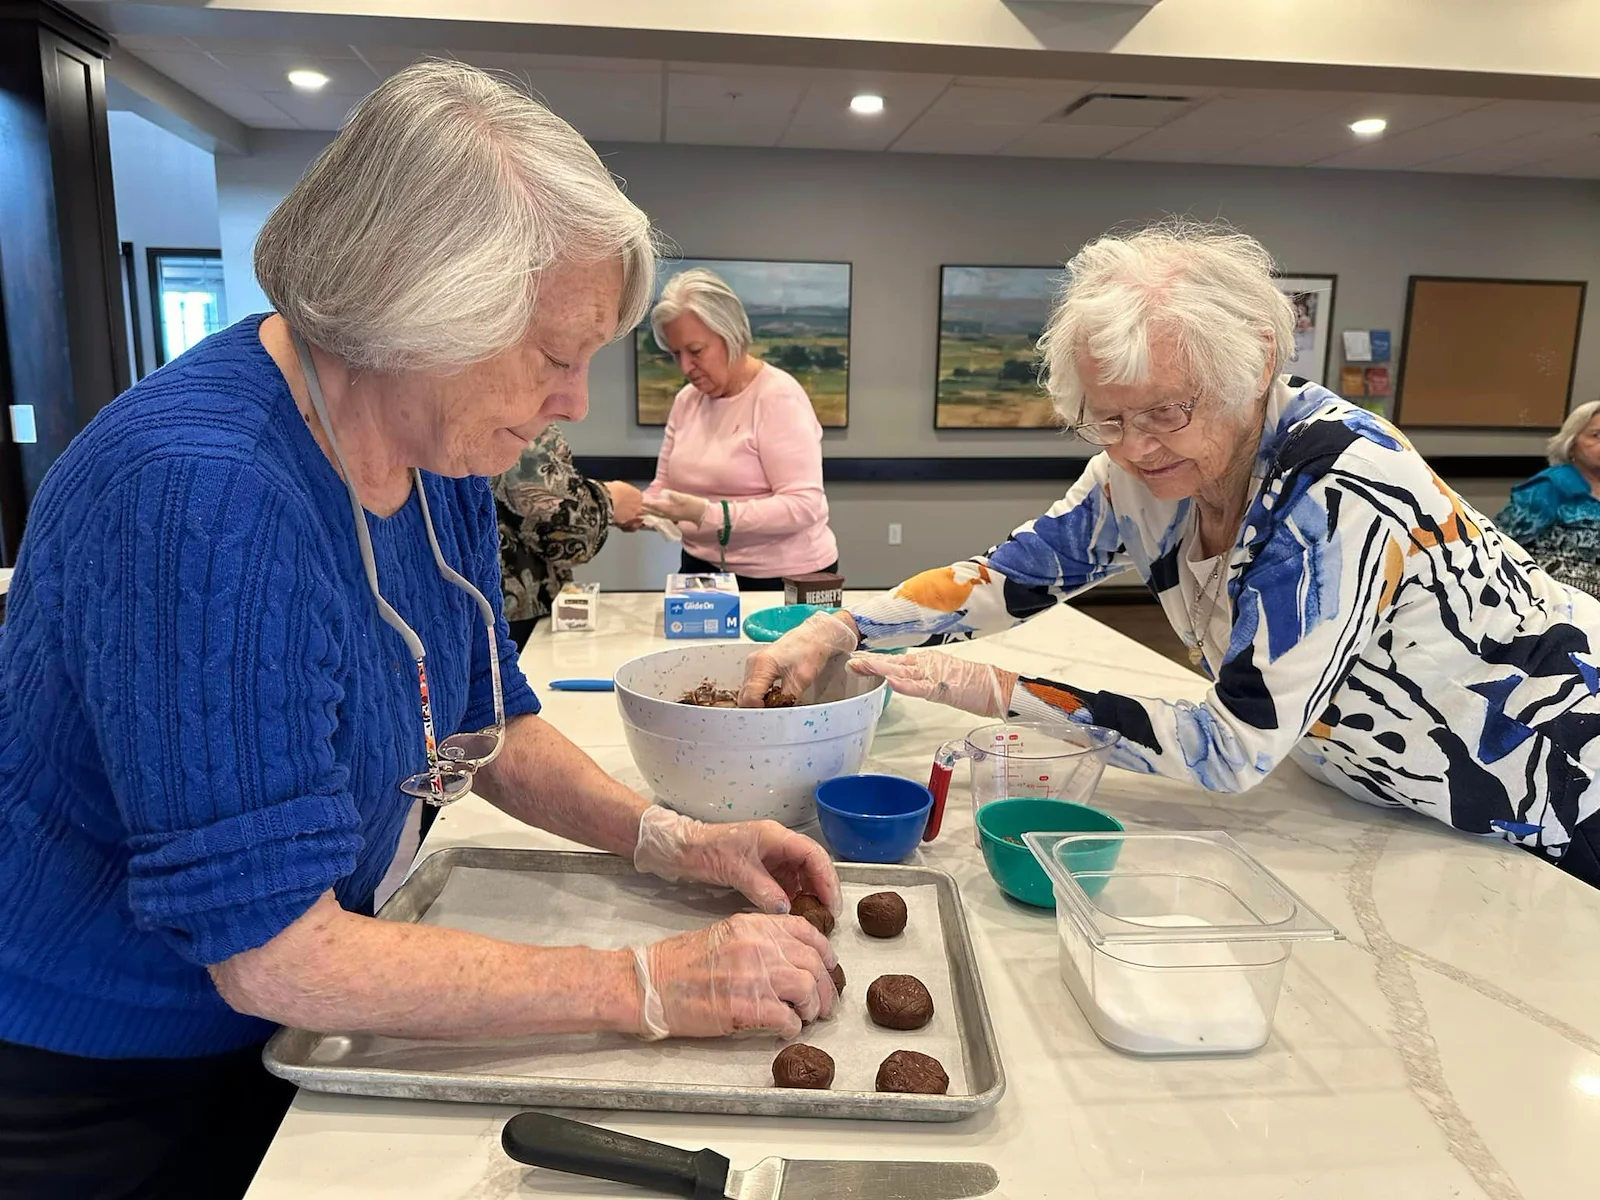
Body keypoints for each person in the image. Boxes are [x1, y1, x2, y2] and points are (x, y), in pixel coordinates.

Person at [0, 62, 839, 1199]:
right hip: (108, 1069)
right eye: (553, 355)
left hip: (299, 1011)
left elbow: (484, 713)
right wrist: (644, 984)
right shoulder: (199, 497)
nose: (576, 404)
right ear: (410, 308)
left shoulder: (426, 435)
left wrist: (673, 841)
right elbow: (274, 953)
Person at [745, 221, 1600, 889]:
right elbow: (1006, 581)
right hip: (1396, 793)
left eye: (1165, 413)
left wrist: (1001, 692)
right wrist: (842, 630)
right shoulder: (1139, 474)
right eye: (1108, 420)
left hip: (1560, 782)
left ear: (1257, 362)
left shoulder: (1338, 489)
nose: (1139, 449)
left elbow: (1231, 749)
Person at [641, 268, 839, 589]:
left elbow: (804, 505)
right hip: (701, 567)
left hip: (784, 576)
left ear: (731, 335)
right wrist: (637, 508)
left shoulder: (778, 398)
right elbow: (663, 484)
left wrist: (708, 513)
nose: (684, 367)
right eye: (676, 354)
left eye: (695, 351)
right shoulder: (686, 401)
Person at [494, 425, 643, 650]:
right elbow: (564, 526)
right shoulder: (514, 420)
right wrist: (611, 499)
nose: (576, 412)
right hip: (510, 610)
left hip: (494, 601)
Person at [1495, 399, 1600, 598]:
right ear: (1571, 445)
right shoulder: (1548, 487)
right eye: (1597, 435)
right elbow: (1500, 544)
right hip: (1559, 594)